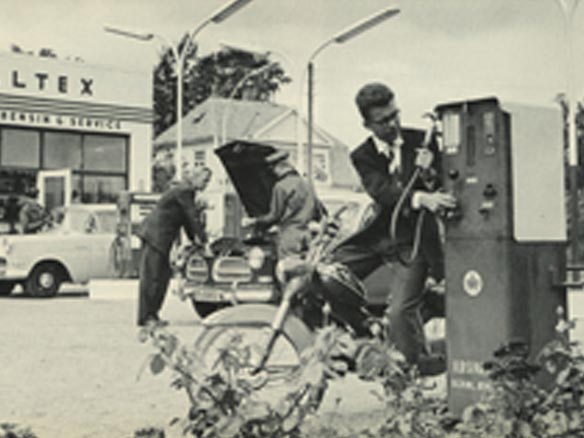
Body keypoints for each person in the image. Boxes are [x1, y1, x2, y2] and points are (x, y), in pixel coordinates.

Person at [333, 83, 456, 376]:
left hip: (412, 242)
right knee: (326, 273)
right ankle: (366, 330)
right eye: (383, 121)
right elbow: (382, 192)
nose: (393, 124)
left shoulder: (422, 141)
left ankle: (413, 369)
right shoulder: (361, 155)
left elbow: (445, 187)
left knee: (400, 312)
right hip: (378, 237)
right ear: (367, 124)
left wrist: (429, 173)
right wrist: (420, 198)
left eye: (394, 115)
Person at [136, 166, 212, 326]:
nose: (207, 184)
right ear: (195, 177)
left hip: (160, 238)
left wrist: (195, 240)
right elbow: (192, 217)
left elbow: (186, 221)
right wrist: (204, 241)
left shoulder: (184, 191)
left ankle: (152, 315)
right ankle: (146, 317)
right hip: (155, 236)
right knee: (152, 277)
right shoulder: (184, 191)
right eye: (205, 180)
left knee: (161, 277)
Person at [241, 151, 323, 259]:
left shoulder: (280, 186)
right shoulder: (307, 185)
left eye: (273, 169)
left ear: (279, 167)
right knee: (305, 269)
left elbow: (274, 216)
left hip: (289, 236)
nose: (274, 173)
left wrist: (253, 221)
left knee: (287, 269)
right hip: (306, 235)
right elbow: (319, 212)